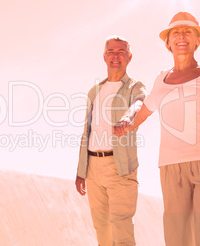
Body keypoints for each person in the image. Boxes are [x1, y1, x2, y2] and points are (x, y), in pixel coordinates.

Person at [114, 12, 200, 246]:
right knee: (177, 239)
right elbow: (143, 112)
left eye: (188, 31)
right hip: (170, 169)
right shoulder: (161, 80)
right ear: (168, 42)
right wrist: (126, 123)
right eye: (175, 32)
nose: (181, 36)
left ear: (197, 40)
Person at [75, 36, 146, 246]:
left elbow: (140, 103)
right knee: (102, 229)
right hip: (92, 168)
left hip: (120, 166)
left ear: (129, 57)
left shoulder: (134, 86)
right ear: (104, 57)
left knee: (121, 228)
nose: (116, 56)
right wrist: (81, 170)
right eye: (111, 52)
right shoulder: (94, 91)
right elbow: (87, 131)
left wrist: (127, 116)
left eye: (121, 51)